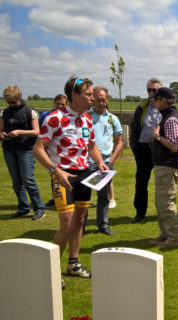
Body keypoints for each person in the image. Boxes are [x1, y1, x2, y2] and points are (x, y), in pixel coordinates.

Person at [33, 77, 108, 287]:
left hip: (85, 174)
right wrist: (55, 170)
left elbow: (91, 145)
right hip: (63, 175)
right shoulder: (55, 118)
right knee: (66, 223)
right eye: (88, 94)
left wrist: (100, 162)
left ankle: (73, 264)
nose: (92, 98)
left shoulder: (86, 119)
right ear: (74, 95)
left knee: (79, 220)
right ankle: (49, 269)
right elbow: (38, 149)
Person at [1, 85, 45, 220]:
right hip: (9, 149)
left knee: (27, 179)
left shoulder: (30, 112)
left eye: (14, 102)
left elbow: (37, 132)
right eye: (9, 102)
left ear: (20, 98)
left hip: (26, 149)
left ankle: (39, 208)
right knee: (16, 181)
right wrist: (2, 135)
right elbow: (1, 129)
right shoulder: (4, 112)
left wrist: (20, 132)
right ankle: (23, 207)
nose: (12, 105)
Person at [149, 88, 178, 247]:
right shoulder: (168, 116)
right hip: (164, 166)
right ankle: (166, 234)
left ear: (163, 100)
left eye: (155, 99)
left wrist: (157, 137)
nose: (153, 101)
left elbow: (175, 146)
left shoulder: (170, 119)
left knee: (166, 202)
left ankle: (174, 237)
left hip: (167, 166)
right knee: (161, 202)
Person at [86, 86, 123, 235]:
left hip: (105, 163)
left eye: (104, 100)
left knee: (103, 196)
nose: (102, 103)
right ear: (93, 100)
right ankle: (80, 227)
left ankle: (103, 225)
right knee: (84, 196)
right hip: (87, 162)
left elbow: (119, 141)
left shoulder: (112, 119)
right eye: (98, 100)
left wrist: (111, 160)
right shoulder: (86, 117)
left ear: (108, 99)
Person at [129, 78, 162, 223]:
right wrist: (135, 147)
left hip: (161, 149)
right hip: (143, 150)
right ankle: (140, 212)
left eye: (155, 90)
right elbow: (134, 128)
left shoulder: (165, 107)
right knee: (141, 182)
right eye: (149, 90)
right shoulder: (141, 108)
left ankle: (162, 212)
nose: (152, 93)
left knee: (162, 182)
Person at [40, 94, 68, 209]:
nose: (60, 106)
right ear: (54, 103)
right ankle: (56, 198)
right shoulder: (46, 116)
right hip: (50, 150)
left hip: (63, 151)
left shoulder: (67, 116)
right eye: (58, 104)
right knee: (54, 174)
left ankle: (68, 198)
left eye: (63, 104)